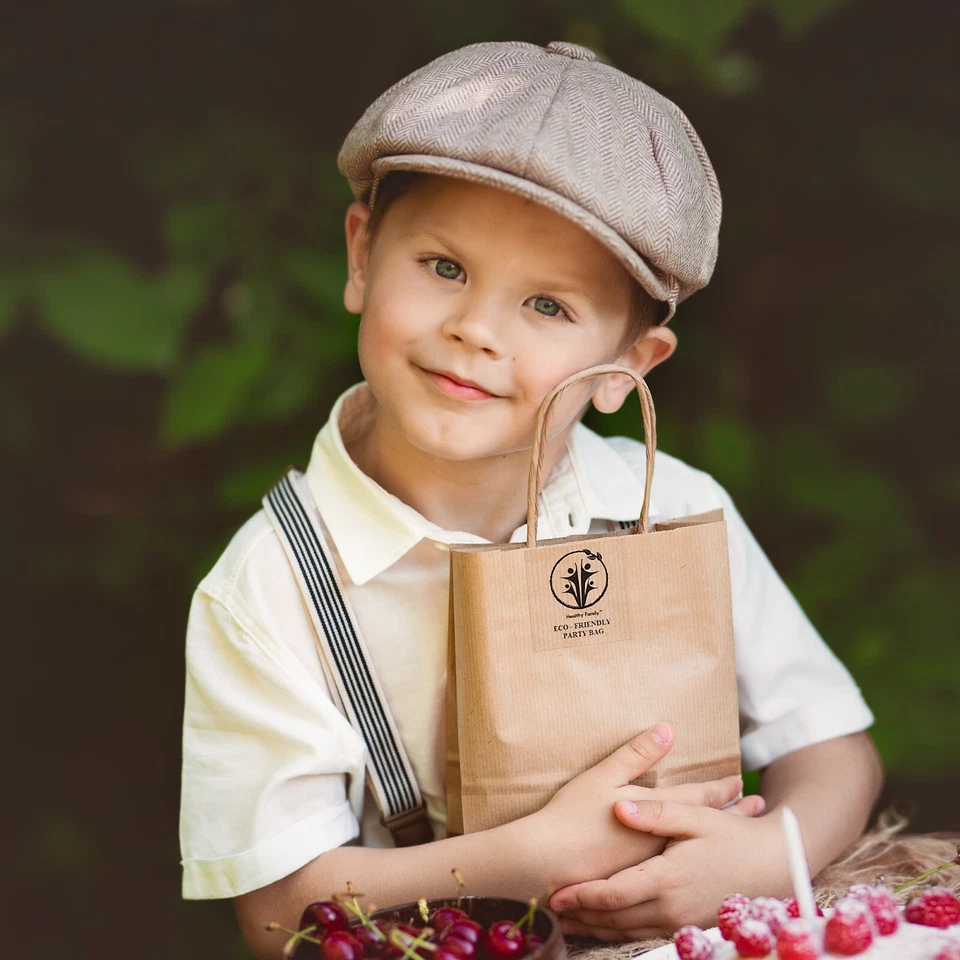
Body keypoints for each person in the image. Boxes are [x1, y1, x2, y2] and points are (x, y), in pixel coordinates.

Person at [178, 40, 883, 958]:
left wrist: (758, 859)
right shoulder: (270, 587)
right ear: (360, 255)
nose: (475, 330)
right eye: (443, 267)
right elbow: (278, 912)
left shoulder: (670, 506)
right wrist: (525, 857)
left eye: (548, 306)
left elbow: (837, 752)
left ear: (625, 370)